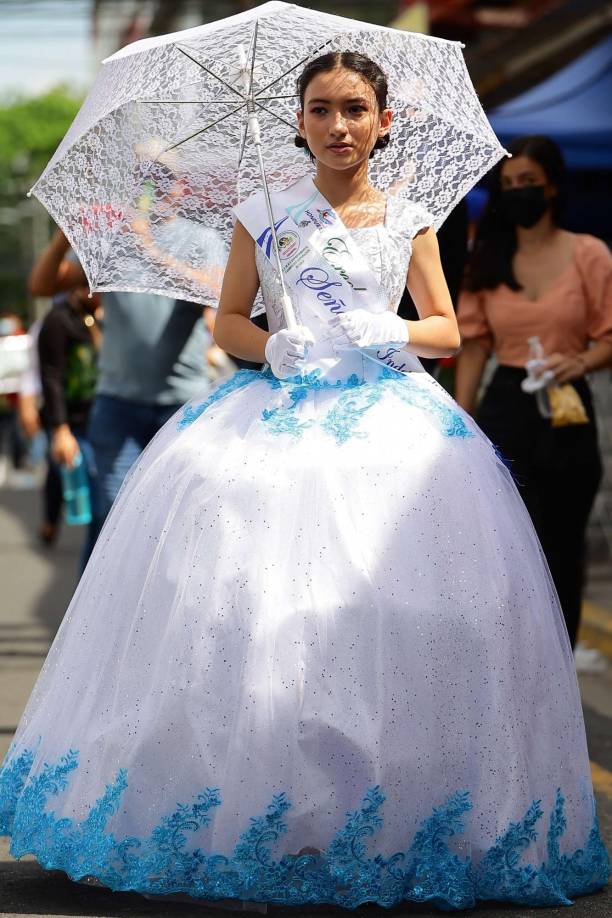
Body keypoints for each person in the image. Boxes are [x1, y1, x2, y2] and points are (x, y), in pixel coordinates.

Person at [0, 55, 608, 912]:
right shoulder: (265, 213)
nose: (338, 125)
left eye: (355, 108)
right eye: (320, 109)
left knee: (402, 610)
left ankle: (403, 809)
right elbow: (229, 322)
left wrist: (389, 325)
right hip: (274, 414)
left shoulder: (412, 216)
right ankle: (257, 807)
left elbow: (442, 328)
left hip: (389, 421)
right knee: (254, 612)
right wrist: (271, 345)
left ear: (384, 120)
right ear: (300, 118)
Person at [455, 135, 612, 652]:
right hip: (507, 402)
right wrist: (460, 420)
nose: (520, 192)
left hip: (568, 402)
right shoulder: (488, 259)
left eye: (529, 182)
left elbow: (607, 335)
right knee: (509, 544)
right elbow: (474, 345)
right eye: (510, 184)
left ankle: (559, 664)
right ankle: (512, 658)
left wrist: (582, 359)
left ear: (552, 186)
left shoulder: (589, 253)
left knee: (565, 546)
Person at [28, 220, 225, 561]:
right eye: (145, 174)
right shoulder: (113, 239)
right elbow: (42, 286)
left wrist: (152, 251)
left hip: (182, 406)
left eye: (165, 174)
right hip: (118, 407)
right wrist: (63, 238)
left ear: (181, 184)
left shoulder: (200, 238)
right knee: (115, 520)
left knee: (181, 523)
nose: (155, 183)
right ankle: (103, 613)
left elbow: (218, 291)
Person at [37, 281, 102, 562]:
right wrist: (60, 429)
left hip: (101, 419)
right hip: (71, 421)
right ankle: (51, 520)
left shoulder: (104, 321)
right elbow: (50, 377)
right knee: (61, 473)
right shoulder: (57, 320)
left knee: (100, 498)